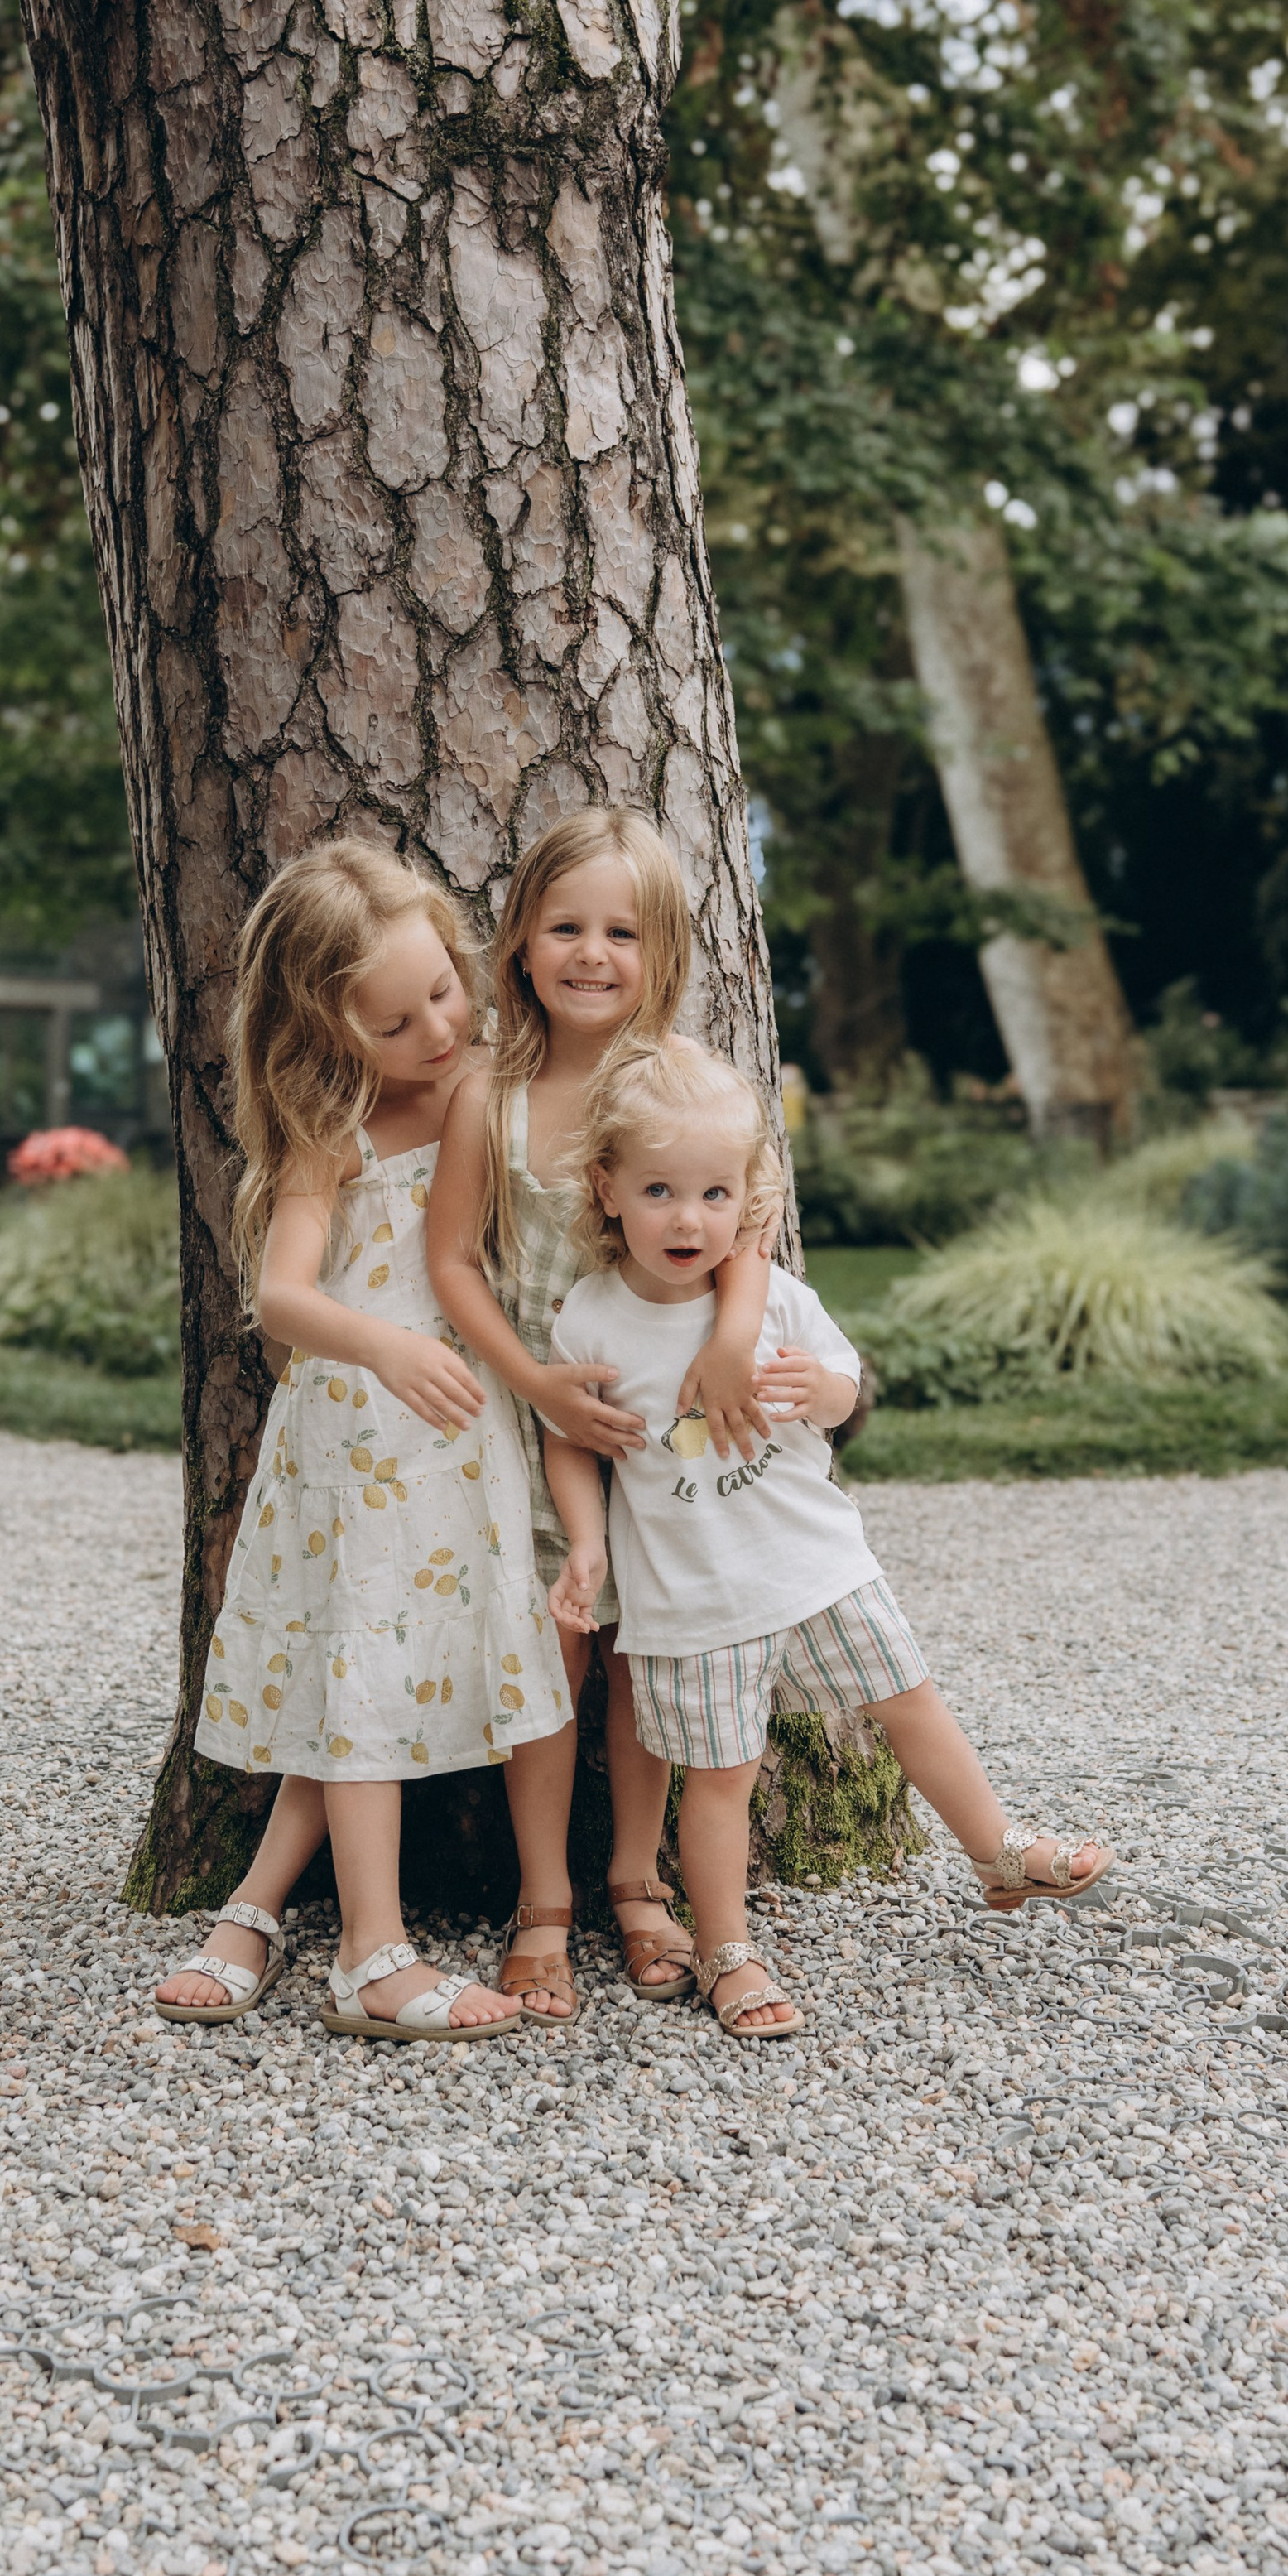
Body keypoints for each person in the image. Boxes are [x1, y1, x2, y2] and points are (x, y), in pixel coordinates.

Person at [541, 1043, 1110, 2044]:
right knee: (719, 1778)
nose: (689, 1218)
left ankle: (996, 1849)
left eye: (715, 1194)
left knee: (910, 1697)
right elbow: (569, 1447)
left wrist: (825, 1392)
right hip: (693, 1601)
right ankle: (726, 1948)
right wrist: (586, 1548)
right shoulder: (590, 1319)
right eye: (661, 1191)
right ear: (608, 1189)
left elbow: (845, 1388)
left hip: (817, 1569)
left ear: (745, 1200)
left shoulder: (777, 1298)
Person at [151, 843, 571, 2044]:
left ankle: (251, 1914)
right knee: (362, 1679)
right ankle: (373, 1959)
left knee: (362, 1690)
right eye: (394, 1022)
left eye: (445, 989)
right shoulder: (327, 1126)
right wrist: (381, 1346)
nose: (437, 1030)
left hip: (457, 1440)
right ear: (328, 1030)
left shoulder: (490, 1082)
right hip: (358, 1440)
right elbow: (284, 1296)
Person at [425, 808, 774, 2025]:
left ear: (663, 950)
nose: (591, 953)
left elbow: (751, 1230)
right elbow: (456, 1265)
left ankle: (638, 1875)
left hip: (666, 1431)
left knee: (652, 1658)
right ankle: (542, 1902)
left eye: (621, 931)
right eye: (565, 926)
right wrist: (531, 1383)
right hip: (534, 1427)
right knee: (551, 1660)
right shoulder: (494, 1092)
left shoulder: (678, 1084)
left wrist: (733, 1342)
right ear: (519, 941)